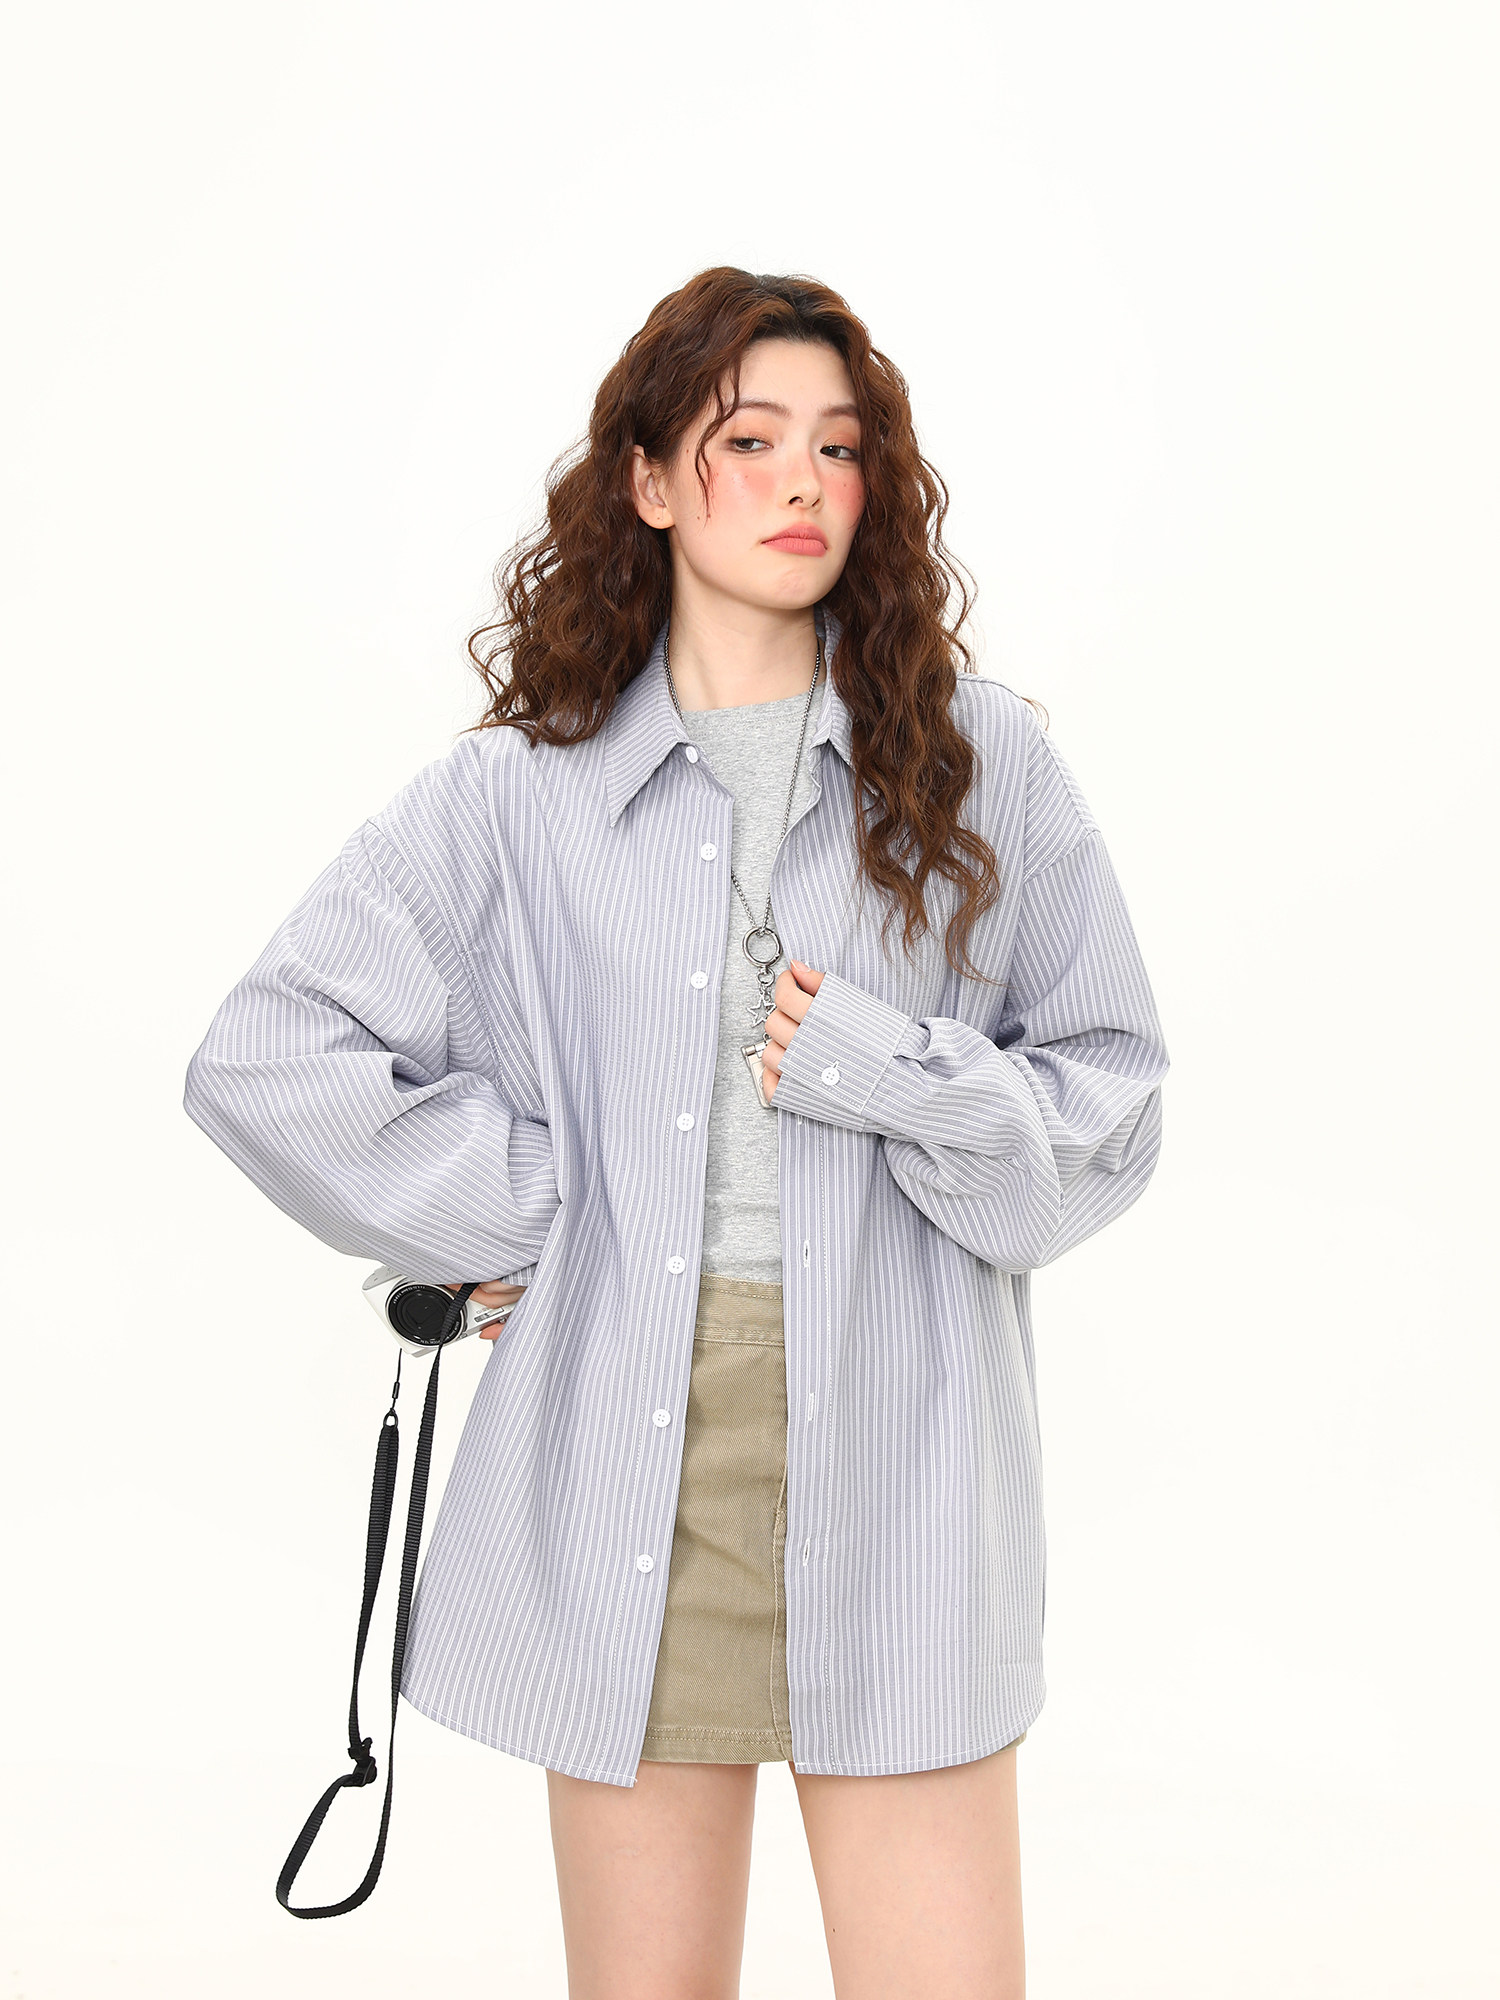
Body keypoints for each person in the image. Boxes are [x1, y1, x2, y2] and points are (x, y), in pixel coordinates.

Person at [184, 266, 1168, 1999]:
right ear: (647, 478)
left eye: (841, 448)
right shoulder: (516, 796)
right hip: (624, 1454)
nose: (805, 485)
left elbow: (1114, 1103)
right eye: (751, 440)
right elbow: (266, 1057)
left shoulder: (984, 767)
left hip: (911, 1457)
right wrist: (536, 1212)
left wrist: (890, 1071)